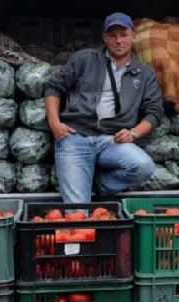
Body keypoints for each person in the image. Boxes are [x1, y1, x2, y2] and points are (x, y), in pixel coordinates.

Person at [44, 12, 164, 204]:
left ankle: (100, 185)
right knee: (77, 214)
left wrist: (134, 133)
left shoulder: (145, 73)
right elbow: (54, 87)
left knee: (143, 166)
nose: (118, 41)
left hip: (112, 141)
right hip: (75, 138)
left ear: (133, 36)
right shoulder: (85, 59)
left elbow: (155, 112)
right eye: (112, 35)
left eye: (123, 35)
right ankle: (82, 193)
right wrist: (55, 124)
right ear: (104, 37)